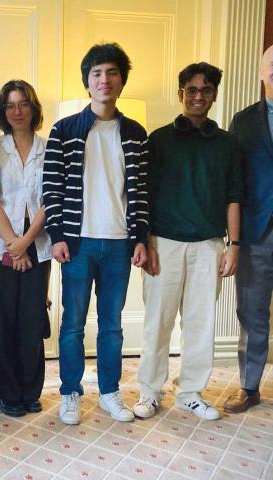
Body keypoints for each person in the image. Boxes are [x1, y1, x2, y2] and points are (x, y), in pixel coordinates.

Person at [43, 43, 149, 425]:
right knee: (72, 323)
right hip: (78, 242)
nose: (105, 80)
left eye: (112, 73)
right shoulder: (65, 129)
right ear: (88, 82)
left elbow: (141, 191)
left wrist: (140, 237)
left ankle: (109, 391)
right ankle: (70, 392)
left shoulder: (136, 132)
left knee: (112, 324)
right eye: (97, 74)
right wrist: (56, 234)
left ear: (121, 80)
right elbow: (51, 187)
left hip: (120, 244)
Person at [134, 63, 242, 421]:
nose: (198, 96)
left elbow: (233, 196)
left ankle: (191, 392)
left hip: (209, 244)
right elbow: (144, 194)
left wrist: (234, 245)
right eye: (191, 90)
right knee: (158, 321)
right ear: (181, 94)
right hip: (163, 242)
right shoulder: (159, 139)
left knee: (200, 323)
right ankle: (149, 391)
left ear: (214, 94)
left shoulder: (227, 144)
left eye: (206, 90)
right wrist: (146, 241)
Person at [0, 80, 51, 417]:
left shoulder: (49, 147)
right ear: (2, 112)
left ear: (33, 108)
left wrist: (25, 244)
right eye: (10, 105)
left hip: (37, 245)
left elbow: (50, 199)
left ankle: (29, 389)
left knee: (31, 319)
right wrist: (13, 244)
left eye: (23, 104)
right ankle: (6, 391)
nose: (17, 111)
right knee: (0, 319)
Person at [224, 45, 273, 414]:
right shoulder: (242, 121)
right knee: (252, 312)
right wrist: (233, 239)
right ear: (261, 72)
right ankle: (249, 386)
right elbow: (233, 183)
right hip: (257, 232)